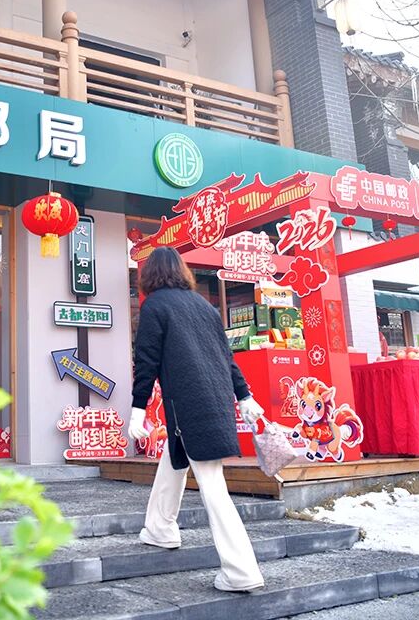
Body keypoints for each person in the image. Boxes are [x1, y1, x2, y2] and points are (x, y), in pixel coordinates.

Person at [129, 246, 266, 593]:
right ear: (182, 271)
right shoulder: (204, 307)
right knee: (174, 461)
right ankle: (160, 529)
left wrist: (137, 409)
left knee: (212, 483)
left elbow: (146, 361)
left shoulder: (155, 306)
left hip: (188, 406)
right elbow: (227, 357)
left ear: (150, 274)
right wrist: (244, 396)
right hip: (215, 402)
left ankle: (241, 571)